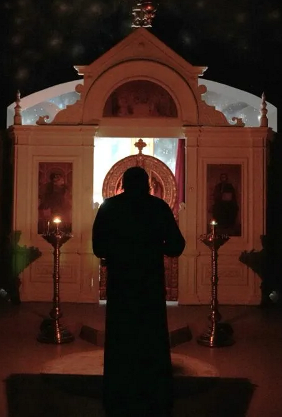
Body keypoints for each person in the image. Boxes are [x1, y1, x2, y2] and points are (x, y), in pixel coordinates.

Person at [92, 166, 186, 417]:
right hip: (149, 283)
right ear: (148, 184)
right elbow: (176, 245)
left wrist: (119, 250)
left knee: (121, 336)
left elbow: (98, 248)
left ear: (123, 183)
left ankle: (118, 396)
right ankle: (154, 394)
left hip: (121, 283)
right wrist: (155, 246)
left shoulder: (110, 207)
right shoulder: (158, 207)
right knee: (150, 335)